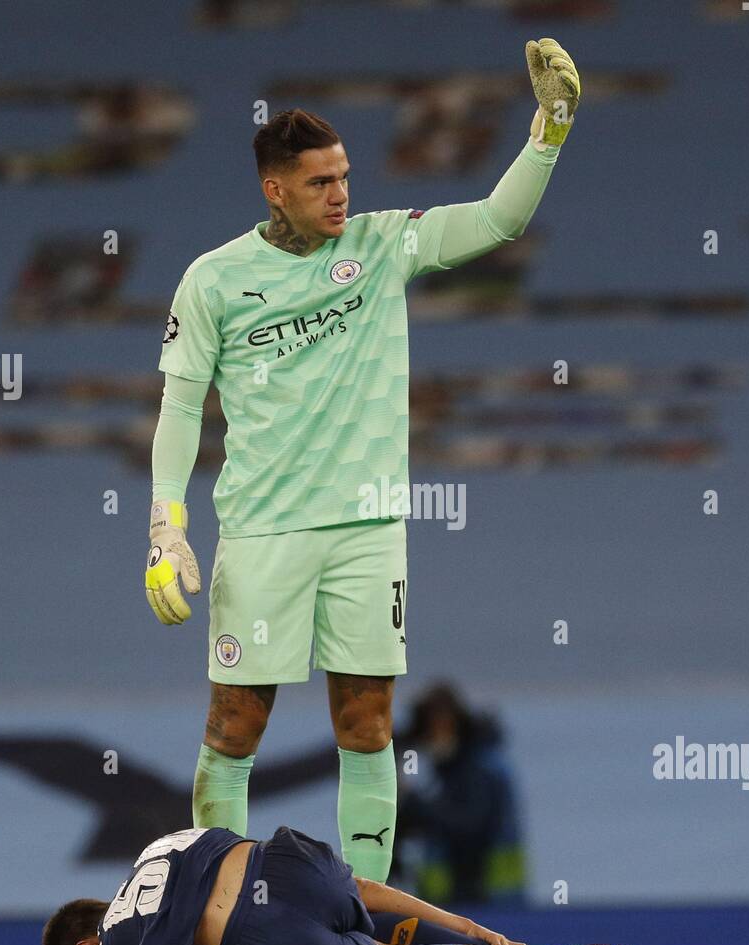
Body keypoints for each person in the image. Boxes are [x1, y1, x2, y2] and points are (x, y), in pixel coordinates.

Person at [139, 40, 582, 884]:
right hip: (266, 529)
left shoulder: (384, 247)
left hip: (368, 527)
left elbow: (499, 219)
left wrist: (549, 132)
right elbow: (180, 405)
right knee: (234, 729)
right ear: (275, 189)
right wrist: (166, 524)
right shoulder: (215, 280)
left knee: (369, 722)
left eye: (344, 176)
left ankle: (368, 908)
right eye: (319, 182)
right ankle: (220, 903)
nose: (341, 194)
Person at [41, 825, 638, 945]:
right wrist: (462, 922)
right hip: (288, 861)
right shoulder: (157, 850)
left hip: (262, 935)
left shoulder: (117, 943)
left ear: (87, 944)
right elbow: (359, 889)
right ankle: (491, 941)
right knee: (364, 910)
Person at [396, 682, 527, 906]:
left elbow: (466, 825)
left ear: (446, 722)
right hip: (475, 902)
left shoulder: (481, 769)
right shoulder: (457, 770)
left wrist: (412, 804)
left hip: (488, 902)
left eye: (430, 733)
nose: (428, 743)